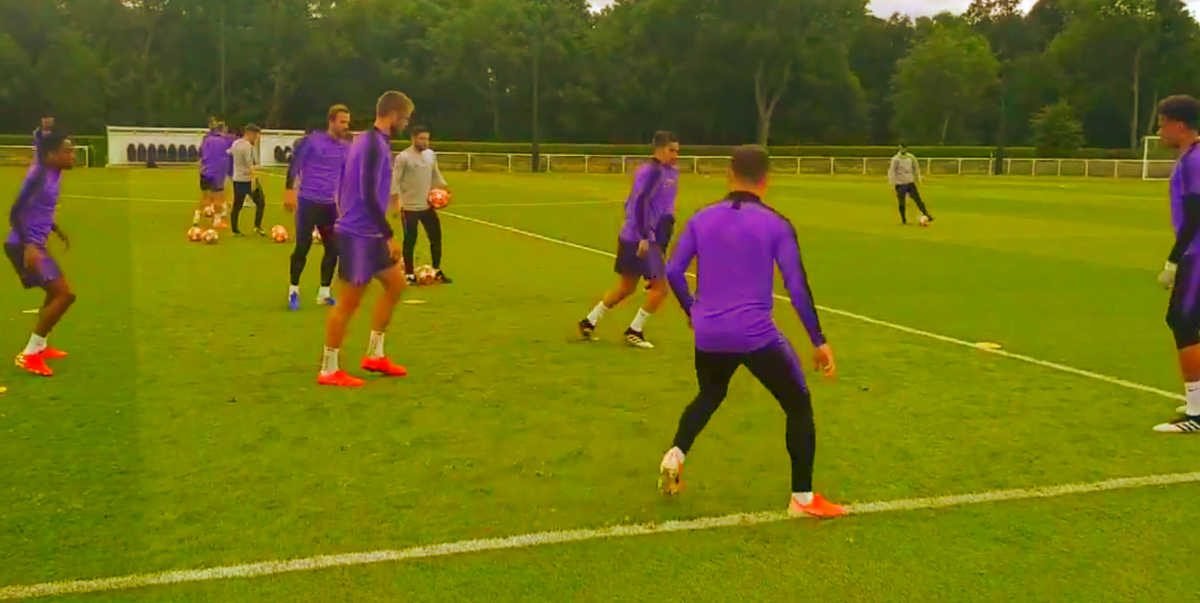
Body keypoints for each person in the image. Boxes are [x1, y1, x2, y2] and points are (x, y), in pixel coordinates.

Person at [657, 144, 845, 518]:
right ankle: (802, 499)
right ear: (766, 180)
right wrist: (818, 341)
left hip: (709, 333)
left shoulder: (701, 218)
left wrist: (693, 312)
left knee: (710, 393)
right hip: (756, 335)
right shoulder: (776, 224)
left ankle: (674, 455)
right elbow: (796, 286)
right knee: (798, 404)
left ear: (729, 174)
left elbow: (674, 271)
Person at [317, 91, 414, 387]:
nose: (407, 123)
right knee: (348, 303)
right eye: (406, 118)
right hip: (360, 234)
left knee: (395, 284)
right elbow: (369, 194)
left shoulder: (367, 142)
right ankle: (329, 369)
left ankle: (375, 354)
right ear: (394, 114)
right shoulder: (372, 145)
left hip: (366, 232)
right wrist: (388, 235)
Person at [577, 131, 680, 349]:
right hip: (642, 238)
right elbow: (640, 202)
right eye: (672, 150)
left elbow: (639, 203)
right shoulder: (653, 172)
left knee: (626, 287)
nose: (676, 155)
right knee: (660, 290)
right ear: (660, 149)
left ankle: (589, 321)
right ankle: (635, 331)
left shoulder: (668, 172)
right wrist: (645, 236)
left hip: (639, 236)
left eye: (678, 151)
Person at [6, 131, 78, 377]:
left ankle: (41, 345)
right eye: (67, 151)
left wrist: (55, 228)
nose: (72, 155)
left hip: (35, 244)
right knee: (64, 295)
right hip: (23, 245)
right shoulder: (38, 176)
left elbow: (40, 209)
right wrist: (29, 246)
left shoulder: (53, 174)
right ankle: (29, 354)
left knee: (56, 293)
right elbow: (15, 212)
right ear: (50, 155)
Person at [1154, 94, 1200, 433]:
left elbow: (1196, 215)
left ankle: (1197, 414)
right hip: (1194, 251)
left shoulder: (1196, 160)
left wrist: (1173, 260)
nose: (1159, 130)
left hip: (1197, 254)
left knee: (1183, 322)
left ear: (1178, 125)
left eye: (1162, 122)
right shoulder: (1189, 158)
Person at [285, 105, 351, 310]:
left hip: (329, 205)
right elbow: (295, 165)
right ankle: (293, 291)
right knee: (302, 246)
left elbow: (345, 176)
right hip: (307, 201)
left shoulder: (345, 147)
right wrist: (289, 191)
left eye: (348, 122)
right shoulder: (312, 141)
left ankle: (324, 293)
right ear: (331, 121)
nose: (346, 126)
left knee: (334, 248)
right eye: (342, 122)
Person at [391, 125, 452, 284]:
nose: (425, 142)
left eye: (427, 138)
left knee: (436, 237)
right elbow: (395, 181)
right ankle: (409, 274)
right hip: (410, 207)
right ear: (413, 138)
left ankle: (436, 270)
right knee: (410, 240)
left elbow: (436, 175)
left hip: (427, 206)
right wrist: (397, 203)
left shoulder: (431, 155)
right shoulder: (403, 157)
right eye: (421, 138)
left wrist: (445, 189)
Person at [194, 120, 234, 228]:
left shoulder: (207, 139)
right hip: (217, 173)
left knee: (205, 197)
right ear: (223, 129)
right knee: (218, 197)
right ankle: (217, 221)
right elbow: (230, 155)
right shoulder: (226, 140)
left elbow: (201, 153)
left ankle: (196, 218)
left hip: (205, 171)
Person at [229, 124, 265, 236]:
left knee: (237, 205)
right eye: (255, 135)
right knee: (261, 202)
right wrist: (254, 180)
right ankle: (257, 226)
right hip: (247, 179)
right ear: (249, 133)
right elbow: (250, 165)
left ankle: (235, 230)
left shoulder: (236, 143)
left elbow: (229, 152)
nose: (256, 138)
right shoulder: (248, 147)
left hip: (237, 178)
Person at [888, 143, 932, 225]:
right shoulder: (895, 159)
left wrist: (918, 178)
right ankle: (904, 219)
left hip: (910, 182)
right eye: (900, 148)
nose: (902, 150)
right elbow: (892, 171)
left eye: (903, 148)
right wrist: (892, 182)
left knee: (918, 199)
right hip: (900, 183)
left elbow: (916, 168)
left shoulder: (911, 157)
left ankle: (926, 214)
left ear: (906, 148)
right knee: (902, 202)